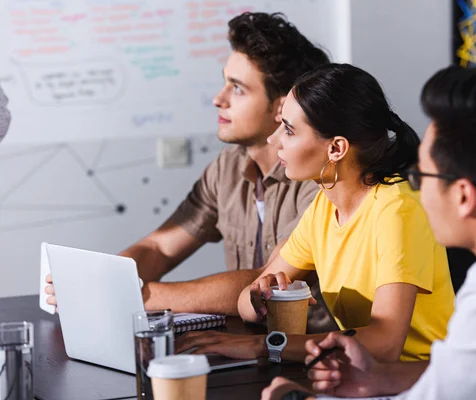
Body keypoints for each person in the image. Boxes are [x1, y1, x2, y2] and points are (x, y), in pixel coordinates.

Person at [262, 66, 476, 399]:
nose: (416, 192)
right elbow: (462, 374)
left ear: (464, 196)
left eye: (422, 177)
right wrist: (381, 377)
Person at [45, 12, 337, 332]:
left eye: (237, 89)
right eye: (225, 82)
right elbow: (158, 248)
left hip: (309, 359)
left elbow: (264, 283)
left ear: (282, 107)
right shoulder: (226, 168)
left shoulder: (321, 178)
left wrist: (133, 294)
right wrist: (103, 281)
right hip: (244, 348)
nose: (218, 99)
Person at [176, 63, 455, 364]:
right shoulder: (324, 207)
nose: (274, 140)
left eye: (289, 130)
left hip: (423, 381)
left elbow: (385, 342)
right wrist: (259, 296)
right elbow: (246, 303)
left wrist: (263, 346)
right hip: (364, 376)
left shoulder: (397, 210)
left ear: (336, 149)